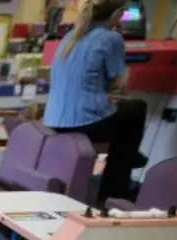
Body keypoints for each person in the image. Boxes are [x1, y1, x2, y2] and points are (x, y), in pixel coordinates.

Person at [44, 0, 147, 201]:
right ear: (117, 14)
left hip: (54, 121)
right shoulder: (111, 38)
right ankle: (115, 190)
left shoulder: (70, 37)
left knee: (124, 122)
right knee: (136, 109)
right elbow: (119, 84)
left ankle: (131, 156)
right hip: (85, 123)